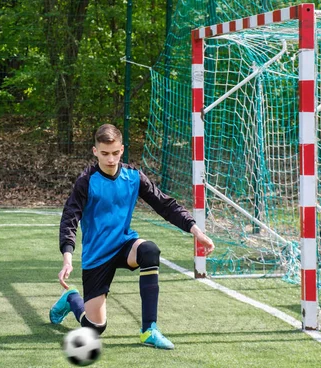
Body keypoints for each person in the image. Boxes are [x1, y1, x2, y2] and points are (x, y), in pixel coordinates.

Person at [49, 123, 215, 350]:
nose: (110, 159)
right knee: (95, 329)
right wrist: (67, 256)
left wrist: (195, 230)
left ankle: (149, 330)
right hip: (97, 254)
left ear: (122, 150)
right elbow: (70, 217)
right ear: (95, 151)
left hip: (124, 244)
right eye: (105, 153)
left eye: (115, 153)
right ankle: (71, 298)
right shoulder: (86, 182)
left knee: (149, 251)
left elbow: (164, 204)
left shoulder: (133, 177)